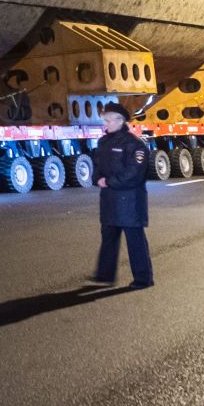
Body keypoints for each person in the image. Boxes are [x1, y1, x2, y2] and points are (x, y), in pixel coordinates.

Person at [88, 106, 153, 288]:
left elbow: (135, 173)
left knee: (135, 241)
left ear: (120, 121)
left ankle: (143, 279)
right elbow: (97, 166)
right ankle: (105, 275)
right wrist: (97, 179)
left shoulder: (135, 145)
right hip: (109, 200)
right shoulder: (103, 143)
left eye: (108, 121)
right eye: (105, 121)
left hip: (130, 201)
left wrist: (109, 181)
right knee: (108, 238)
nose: (105, 124)